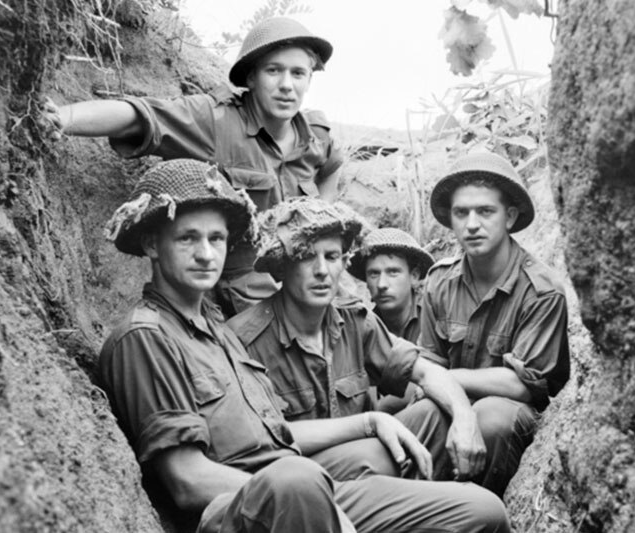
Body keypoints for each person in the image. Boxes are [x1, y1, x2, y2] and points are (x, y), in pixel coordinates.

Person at [97, 159, 510, 533]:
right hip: (250, 505)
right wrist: (321, 499)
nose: (206, 254)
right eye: (188, 238)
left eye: (217, 239)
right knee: (298, 479)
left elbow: (277, 435)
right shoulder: (146, 337)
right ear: (152, 244)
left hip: (296, 475)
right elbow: (188, 482)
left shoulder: (214, 329)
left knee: (482, 511)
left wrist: (370, 423)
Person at [43, 17, 343, 316]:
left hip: (302, 283)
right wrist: (64, 118)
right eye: (273, 71)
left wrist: (319, 222)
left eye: (298, 73)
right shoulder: (216, 120)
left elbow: (331, 168)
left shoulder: (315, 135)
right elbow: (140, 115)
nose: (286, 85)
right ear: (251, 77)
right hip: (242, 297)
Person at [226, 198, 488, 483]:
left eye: (332, 256)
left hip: (369, 465)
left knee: (437, 414)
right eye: (306, 256)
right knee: (378, 459)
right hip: (302, 483)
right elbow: (259, 438)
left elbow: (426, 372)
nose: (322, 271)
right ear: (281, 267)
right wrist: (367, 424)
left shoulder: (354, 319)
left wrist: (465, 417)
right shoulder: (244, 340)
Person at [419, 151, 571, 497]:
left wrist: (449, 380)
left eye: (485, 211)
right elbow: (427, 365)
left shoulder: (541, 290)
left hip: (515, 420)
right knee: (417, 411)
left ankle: (479, 514)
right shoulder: (439, 281)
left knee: (491, 416)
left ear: (509, 217)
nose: (472, 224)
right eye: (461, 213)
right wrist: (448, 394)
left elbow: (522, 387)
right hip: (455, 405)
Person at [347, 227, 434, 413]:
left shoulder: (434, 316)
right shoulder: (361, 328)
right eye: (374, 274)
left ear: (414, 276)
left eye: (393, 272)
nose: (382, 284)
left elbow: (439, 376)